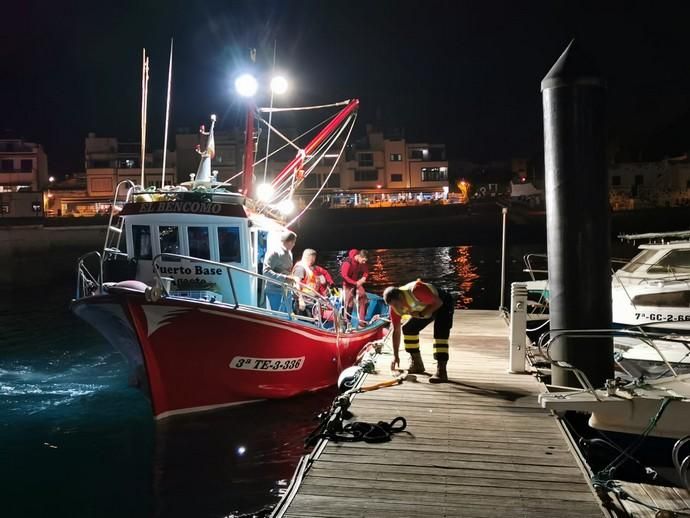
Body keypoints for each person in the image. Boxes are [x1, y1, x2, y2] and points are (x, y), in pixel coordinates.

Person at [383, 279, 455, 383]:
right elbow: (396, 331)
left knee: (440, 333)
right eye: (392, 306)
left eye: (396, 304)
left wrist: (422, 314)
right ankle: (417, 364)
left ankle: (441, 372)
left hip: (442, 304)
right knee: (408, 328)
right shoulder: (394, 308)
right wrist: (395, 355)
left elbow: (438, 302)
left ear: (400, 297)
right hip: (425, 308)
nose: (395, 308)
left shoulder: (416, 290)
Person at [263, 230, 297, 311]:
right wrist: (285, 278)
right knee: (278, 317)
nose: (294, 244)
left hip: (286, 290)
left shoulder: (289, 253)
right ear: (288, 241)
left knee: (288, 316)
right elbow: (266, 272)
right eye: (293, 242)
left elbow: (288, 271)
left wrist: (293, 287)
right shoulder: (274, 252)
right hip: (275, 291)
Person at [341, 249, 369, 326]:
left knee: (364, 299)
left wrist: (364, 278)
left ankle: (361, 321)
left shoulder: (362, 263)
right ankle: (346, 322)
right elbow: (344, 276)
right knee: (349, 304)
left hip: (356, 283)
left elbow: (366, 271)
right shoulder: (347, 263)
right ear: (359, 256)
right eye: (363, 260)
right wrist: (355, 283)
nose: (364, 263)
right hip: (348, 285)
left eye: (365, 261)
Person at [292, 248, 319, 315]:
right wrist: (300, 300)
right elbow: (297, 284)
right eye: (313, 259)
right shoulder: (300, 268)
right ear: (310, 257)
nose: (313, 261)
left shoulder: (307, 268)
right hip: (303, 303)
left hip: (308, 301)